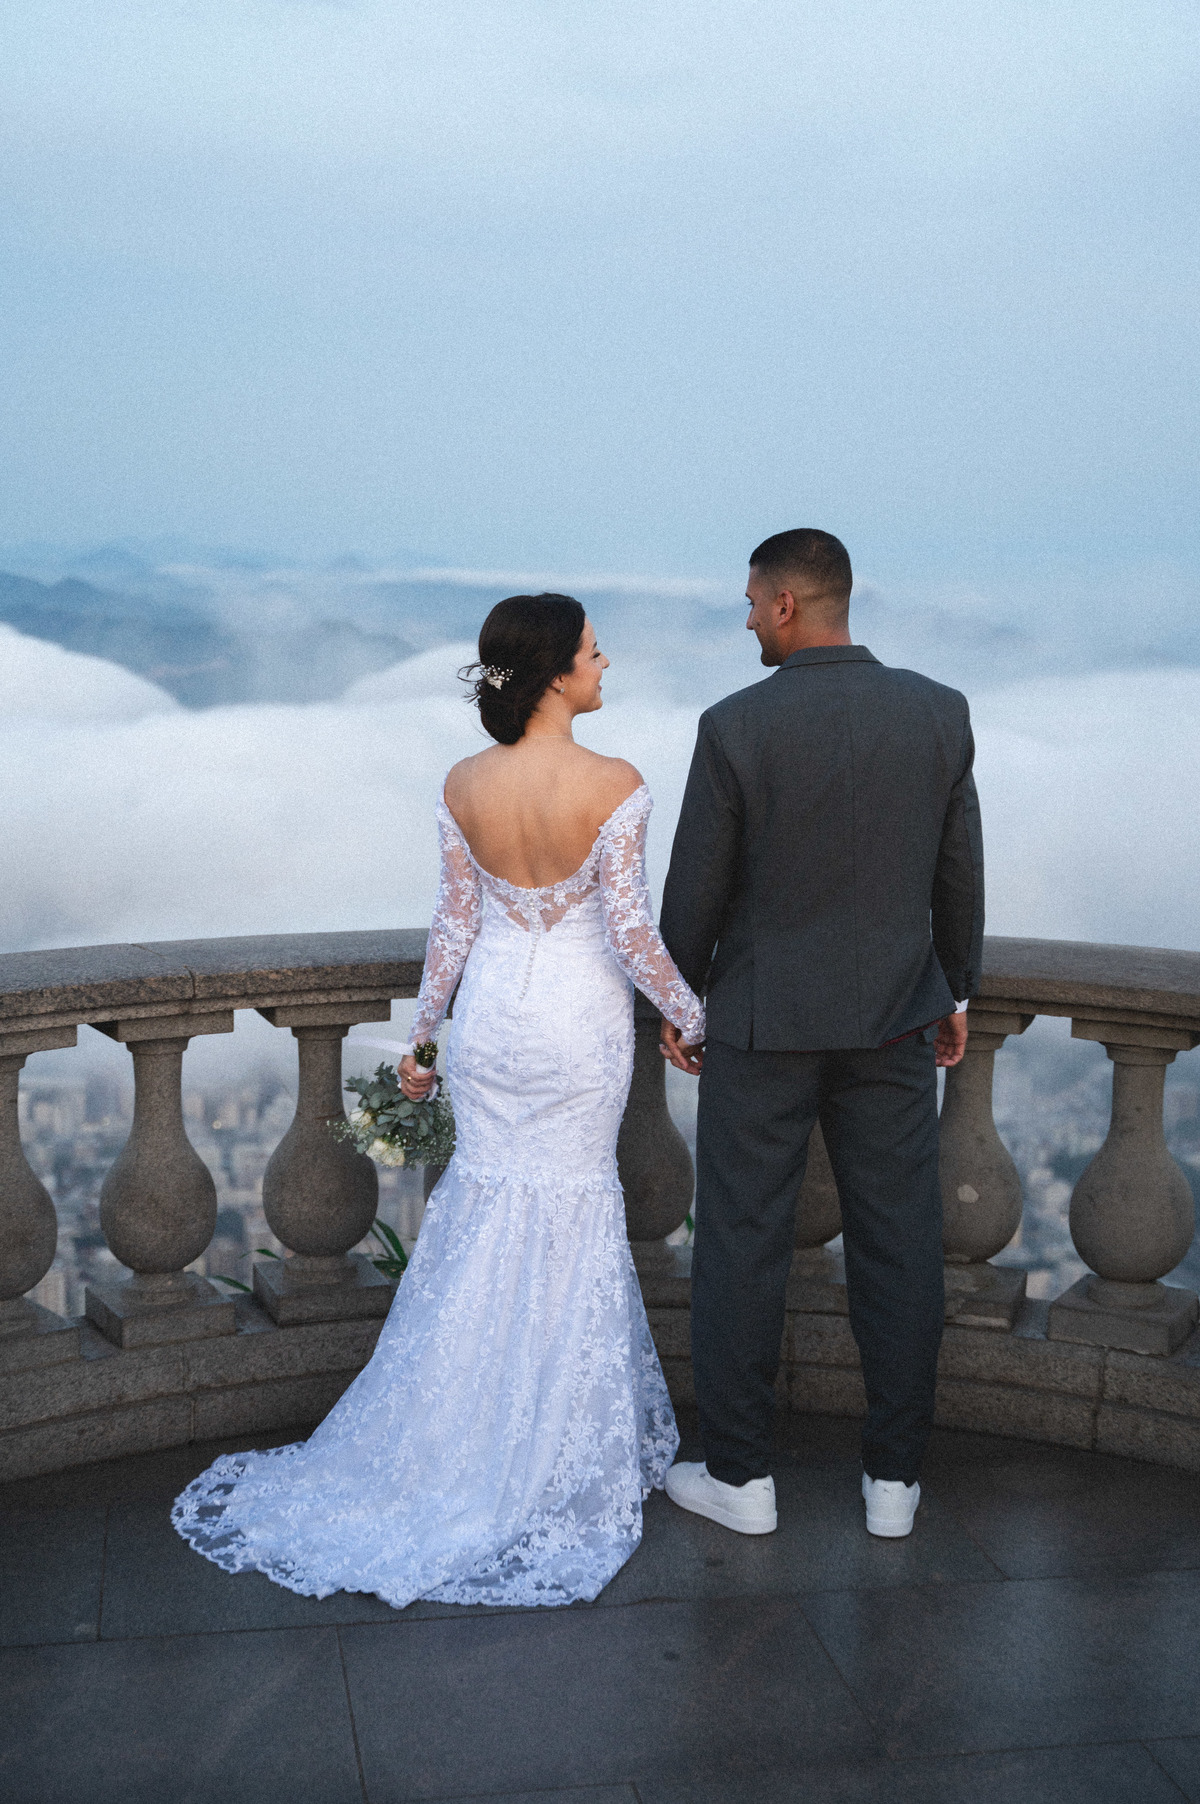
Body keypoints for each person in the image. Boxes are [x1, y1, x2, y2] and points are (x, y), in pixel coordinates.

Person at [173, 593, 704, 1607]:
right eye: (592, 651)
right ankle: (548, 1449)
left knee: (487, 1208)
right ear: (554, 673)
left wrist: (424, 1039)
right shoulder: (618, 783)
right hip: (581, 1027)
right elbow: (633, 935)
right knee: (568, 1212)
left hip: (496, 1024)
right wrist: (693, 1015)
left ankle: (453, 1437)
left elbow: (454, 924)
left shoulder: (464, 783)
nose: (605, 662)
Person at [658, 529, 983, 1540]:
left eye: (753, 602)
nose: (749, 617)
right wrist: (955, 990)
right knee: (898, 1245)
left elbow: (694, 897)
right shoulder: (939, 713)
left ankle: (742, 1480)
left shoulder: (734, 726)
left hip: (760, 1023)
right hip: (894, 1017)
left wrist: (677, 1004)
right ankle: (893, 1482)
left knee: (742, 1246)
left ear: (789, 604)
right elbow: (957, 875)